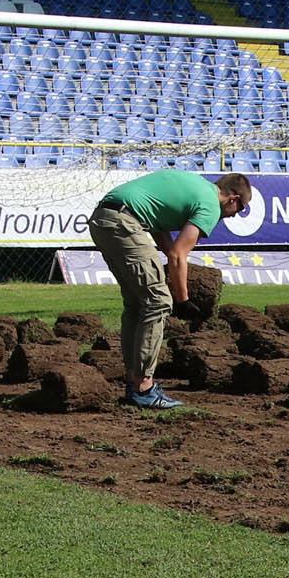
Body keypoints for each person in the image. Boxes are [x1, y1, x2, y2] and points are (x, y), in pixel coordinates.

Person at [88, 169, 252, 410]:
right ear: (233, 199)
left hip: (104, 219)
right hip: (124, 223)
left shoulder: (197, 186)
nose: (234, 216)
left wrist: (174, 270)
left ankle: (134, 380)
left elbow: (159, 231)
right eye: (240, 210)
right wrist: (183, 300)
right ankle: (144, 387)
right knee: (159, 301)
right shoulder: (210, 204)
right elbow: (178, 254)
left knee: (137, 303)